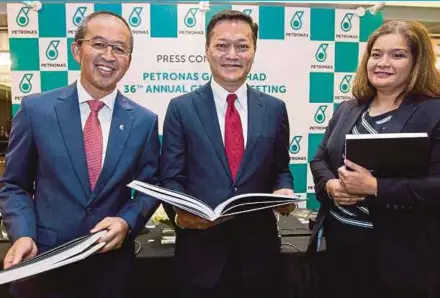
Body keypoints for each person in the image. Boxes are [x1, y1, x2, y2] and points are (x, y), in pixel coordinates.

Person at [0, 11, 160, 298]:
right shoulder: (36, 110)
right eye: (98, 44)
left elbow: (150, 187)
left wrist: (126, 221)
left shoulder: (144, 121)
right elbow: (14, 185)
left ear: (129, 60)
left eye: (119, 48)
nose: (109, 56)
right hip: (44, 264)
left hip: (111, 270)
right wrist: (23, 233)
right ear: (77, 50)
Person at [160, 9, 295, 298]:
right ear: (207, 51)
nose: (232, 54)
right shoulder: (181, 108)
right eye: (222, 45)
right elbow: (171, 177)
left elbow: (281, 169)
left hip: (259, 259)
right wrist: (181, 216)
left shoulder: (274, 108)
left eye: (242, 46)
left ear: (254, 52)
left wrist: (284, 191)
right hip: (200, 258)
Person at [308, 20, 440, 298]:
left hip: (399, 261)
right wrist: (331, 186)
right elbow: (320, 160)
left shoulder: (433, 114)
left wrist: (374, 187)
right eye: (376, 54)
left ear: (417, 62)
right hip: (338, 249)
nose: (383, 63)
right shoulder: (349, 108)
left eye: (397, 55)